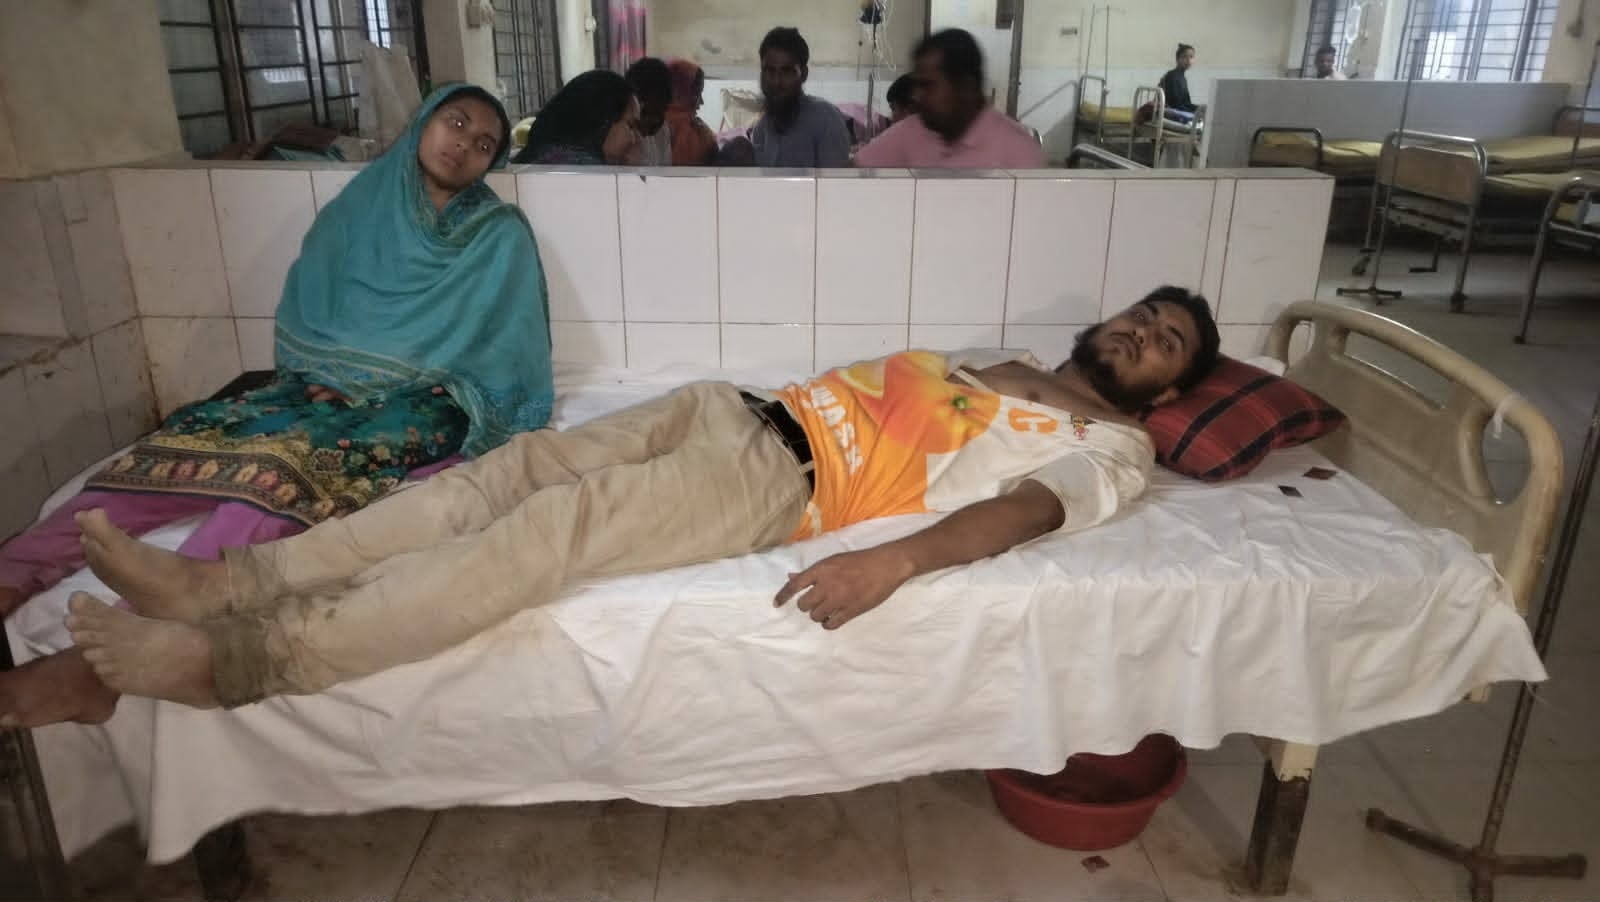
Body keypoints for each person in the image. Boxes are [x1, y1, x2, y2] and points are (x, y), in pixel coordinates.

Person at [63, 287, 1221, 710]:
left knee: (546, 530)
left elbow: (1017, 515)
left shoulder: (1111, 449)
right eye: (1143, 312)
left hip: (778, 479)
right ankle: (229, 582)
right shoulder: (1020, 366)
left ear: (1171, 390)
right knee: (503, 473)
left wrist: (896, 561)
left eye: (1164, 338)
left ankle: (240, 662)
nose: (1139, 330)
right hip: (735, 407)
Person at [0, 84, 555, 729]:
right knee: (188, 451)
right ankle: (13, 574)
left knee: (287, 477)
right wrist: (334, 373)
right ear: (425, 122)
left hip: (425, 397)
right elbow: (312, 305)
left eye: (484, 143)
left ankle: (104, 664)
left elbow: (506, 349)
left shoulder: (498, 234)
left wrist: (383, 384)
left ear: (493, 162)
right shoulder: (358, 208)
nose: (463, 145)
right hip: (317, 383)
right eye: (455, 123)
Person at [855, 29, 1045, 169]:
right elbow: (849, 174)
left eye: (927, 85)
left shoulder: (1018, 151)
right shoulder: (912, 131)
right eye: (917, 85)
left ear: (966, 87)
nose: (916, 96)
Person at [731, 27, 852, 168]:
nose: (776, 81)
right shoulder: (761, 130)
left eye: (786, 71)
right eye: (769, 71)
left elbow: (837, 181)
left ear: (804, 74)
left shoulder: (825, 120)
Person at [513, 70, 642, 165]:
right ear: (603, 121)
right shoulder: (580, 168)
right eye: (630, 125)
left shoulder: (547, 155)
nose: (634, 139)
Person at [666, 59, 719, 165]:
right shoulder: (684, 131)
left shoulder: (691, 125)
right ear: (679, 93)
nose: (701, 102)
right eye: (697, 94)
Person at [625, 57, 675, 165]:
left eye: (660, 112)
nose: (655, 120)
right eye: (646, 113)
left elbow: (665, 172)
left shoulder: (663, 131)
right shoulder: (622, 138)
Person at [1158, 44, 1198, 114]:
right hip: (1171, 111)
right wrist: (1195, 112)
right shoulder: (1172, 76)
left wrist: (1199, 108)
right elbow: (1175, 104)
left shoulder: (1182, 78)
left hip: (1179, 110)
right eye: (1184, 57)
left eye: (1191, 57)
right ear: (1177, 59)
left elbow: (1187, 103)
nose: (1188, 60)